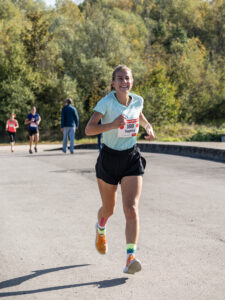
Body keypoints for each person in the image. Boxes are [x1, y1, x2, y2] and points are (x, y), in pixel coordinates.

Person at [85, 65, 155, 274]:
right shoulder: (106, 103)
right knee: (109, 209)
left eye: (128, 78)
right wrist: (113, 124)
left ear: (131, 81)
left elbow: (139, 116)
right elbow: (89, 129)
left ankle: (130, 257)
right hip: (109, 158)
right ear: (113, 83)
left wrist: (148, 127)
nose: (124, 81)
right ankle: (101, 227)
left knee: (131, 208)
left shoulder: (138, 100)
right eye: (120, 78)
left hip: (131, 157)